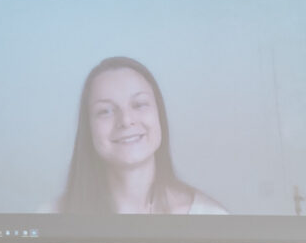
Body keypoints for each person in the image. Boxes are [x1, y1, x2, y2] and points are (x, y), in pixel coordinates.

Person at [58, 56, 227, 215]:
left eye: (139, 104)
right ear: (88, 127)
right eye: (105, 111)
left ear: (159, 115)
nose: (126, 120)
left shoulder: (210, 216)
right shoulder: (52, 217)